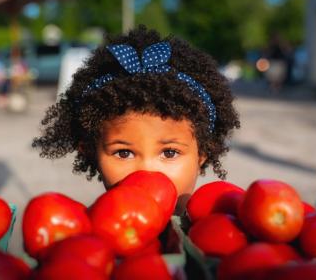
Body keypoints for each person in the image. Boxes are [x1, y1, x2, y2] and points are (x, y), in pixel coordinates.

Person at [32, 26, 240, 213]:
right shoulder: (83, 235)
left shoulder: (219, 232)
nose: (146, 172)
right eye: (124, 153)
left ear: (202, 153)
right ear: (91, 152)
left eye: (169, 152)